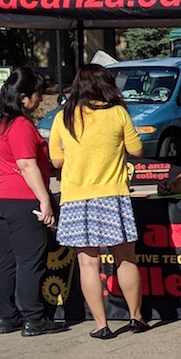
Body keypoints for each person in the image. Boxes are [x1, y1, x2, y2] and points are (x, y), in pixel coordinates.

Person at [48, 64, 148, 339]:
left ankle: (101, 324)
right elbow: (137, 149)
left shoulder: (63, 117)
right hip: (113, 195)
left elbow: (56, 160)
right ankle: (136, 317)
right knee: (125, 259)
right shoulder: (118, 113)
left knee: (88, 263)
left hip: (76, 197)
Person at [0, 68, 65, 337]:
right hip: (22, 198)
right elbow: (27, 165)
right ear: (23, 97)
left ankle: (6, 316)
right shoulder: (20, 126)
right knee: (30, 259)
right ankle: (34, 318)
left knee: (6, 260)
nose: (40, 99)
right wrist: (45, 201)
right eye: (37, 94)